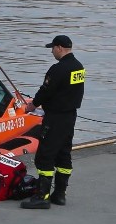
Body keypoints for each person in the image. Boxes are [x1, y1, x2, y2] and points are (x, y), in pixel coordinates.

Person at [20, 35, 85, 209]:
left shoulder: (57, 69)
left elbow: (45, 91)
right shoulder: (79, 67)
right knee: (64, 154)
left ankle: (42, 196)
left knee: (45, 156)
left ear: (59, 48)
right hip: (70, 117)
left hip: (55, 117)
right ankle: (60, 194)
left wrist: (31, 106)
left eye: (52, 48)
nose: (51, 52)